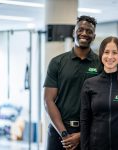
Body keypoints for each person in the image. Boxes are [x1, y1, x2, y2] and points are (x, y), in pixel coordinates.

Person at [43, 15, 101, 150]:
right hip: (59, 131)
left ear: (94, 36)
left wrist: (81, 135)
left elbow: (103, 105)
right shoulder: (57, 62)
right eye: (80, 29)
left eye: (89, 31)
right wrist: (64, 134)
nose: (84, 33)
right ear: (73, 32)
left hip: (88, 132)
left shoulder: (100, 65)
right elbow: (48, 101)